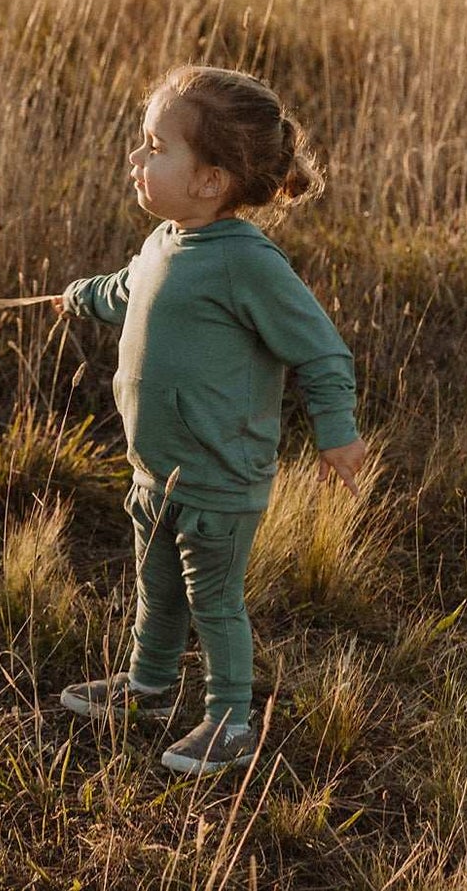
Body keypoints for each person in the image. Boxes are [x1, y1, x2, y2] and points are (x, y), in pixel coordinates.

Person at [55, 65, 367, 777]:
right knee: (157, 585)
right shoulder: (166, 239)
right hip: (156, 471)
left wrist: (337, 430)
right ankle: (150, 686)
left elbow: (320, 348)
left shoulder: (248, 264)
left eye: (155, 146)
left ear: (210, 179)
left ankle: (231, 719)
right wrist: (80, 295)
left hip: (219, 479)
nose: (137, 158)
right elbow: (127, 291)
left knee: (214, 599)